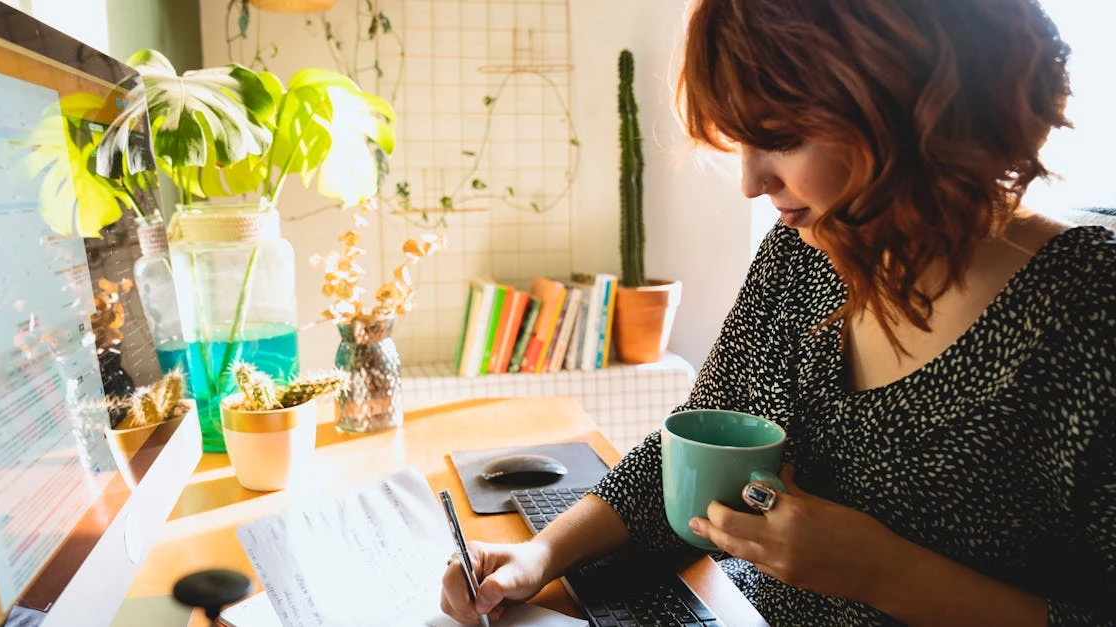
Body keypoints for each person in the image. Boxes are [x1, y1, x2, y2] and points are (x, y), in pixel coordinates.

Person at [440, 0, 1115, 625]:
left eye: (782, 137)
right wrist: (539, 557)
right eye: (742, 141)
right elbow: (685, 459)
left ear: (910, 106)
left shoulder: (1089, 308)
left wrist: (885, 571)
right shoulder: (806, 252)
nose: (750, 182)